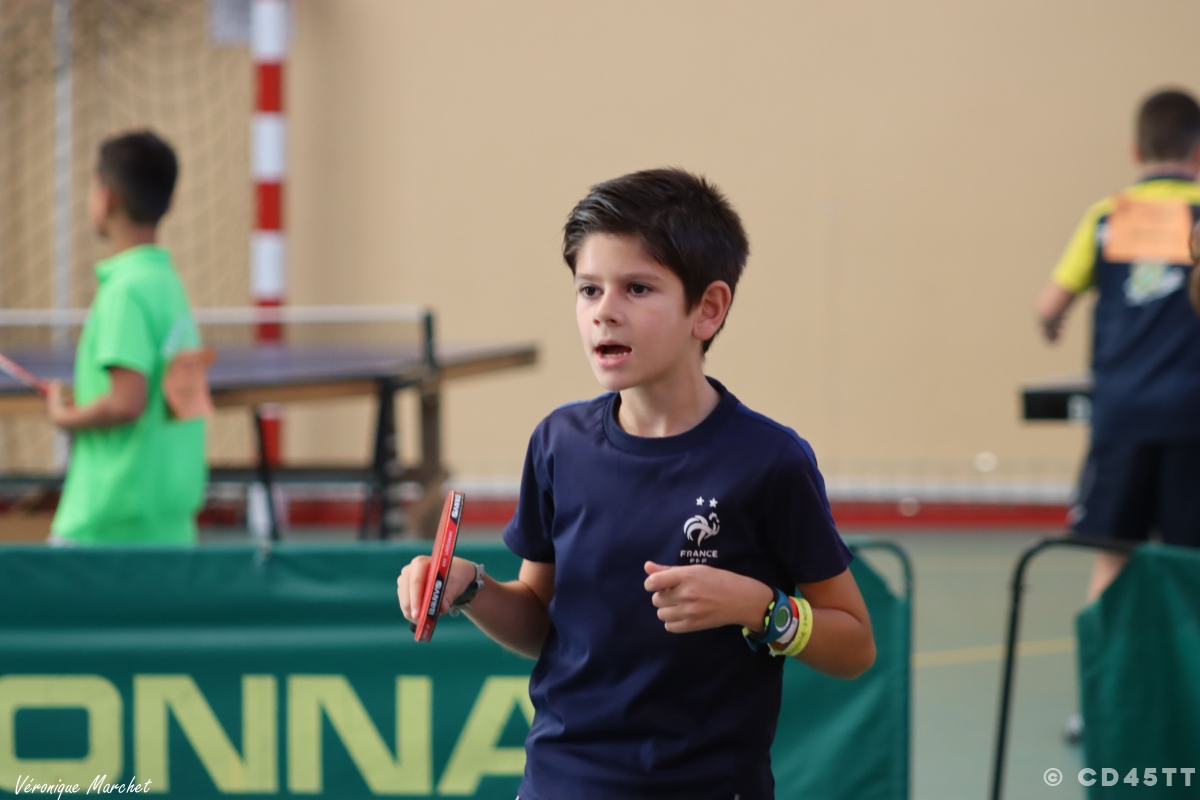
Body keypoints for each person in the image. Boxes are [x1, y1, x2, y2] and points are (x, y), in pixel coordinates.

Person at [398, 169, 875, 799]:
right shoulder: (558, 443)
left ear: (708, 309)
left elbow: (855, 645)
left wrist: (761, 608)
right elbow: (542, 622)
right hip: (560, 782)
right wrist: (470, 588)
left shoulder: (770, 461)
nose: (604, 312)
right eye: (588, 289)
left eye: (638, 288)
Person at [1036, 88, 1200, 602]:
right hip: (1191, 415)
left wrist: (1052, 325)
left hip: (1122, 413)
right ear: (1198, 152)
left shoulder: (1106, 216)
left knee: (1112, 554)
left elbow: (1048, 306)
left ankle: (1102, 655)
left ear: (1136, 151)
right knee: (1192, 564)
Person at [45, 130, 207, 545]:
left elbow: (126, 402)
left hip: (105, 525)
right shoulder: (169, 285)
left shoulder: (124, 292)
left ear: (107, 198)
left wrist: (64, 417)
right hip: (168, 523)